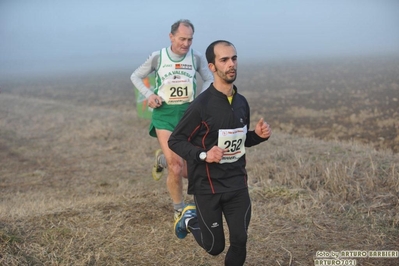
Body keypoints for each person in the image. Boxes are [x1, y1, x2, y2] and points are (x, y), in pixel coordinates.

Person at [168, 40, 271, 265]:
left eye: (234, 58)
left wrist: (258, 136)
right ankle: (189, 219)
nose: (231, 64)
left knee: (240, 240)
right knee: (215, 247)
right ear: (212, 67)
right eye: (224, 60)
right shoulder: (200, 106)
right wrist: (205, 155)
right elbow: (176, 140)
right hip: (208, 187)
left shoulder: (242, 102)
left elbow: (240, 140)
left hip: (236, 183)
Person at [130, 19, 213, 221]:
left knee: (187, 172)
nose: (186, 44)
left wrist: (200, 101)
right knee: (175, 166)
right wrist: (150, 95)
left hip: (189, 117)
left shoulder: (196, 57)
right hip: (164, 116)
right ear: (171, 37)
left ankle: (161, 159)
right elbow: (135, 76)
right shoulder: (159, 57)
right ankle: (179, 211)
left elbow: (210, 79)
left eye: (190, 39)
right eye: (182, 39)